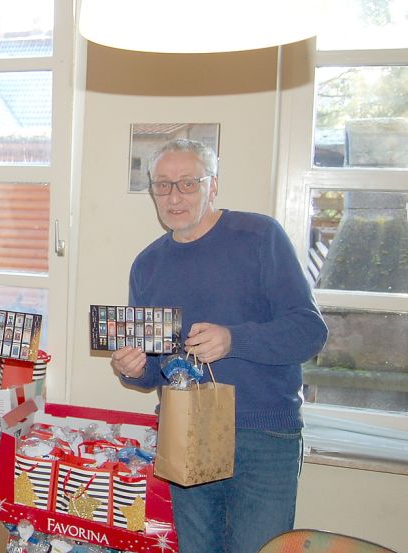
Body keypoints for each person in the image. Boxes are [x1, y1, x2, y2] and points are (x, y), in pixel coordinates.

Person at [110, 139, 328, 553]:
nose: (174, 196)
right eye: (163, 185)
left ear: (213, 186)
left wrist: (234, 339)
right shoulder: (147, 264)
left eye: (188, 184)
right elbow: (155, 368)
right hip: (184, 429)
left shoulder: (260, 236)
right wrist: (135, 369)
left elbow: (309, 332)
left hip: (262, 433)